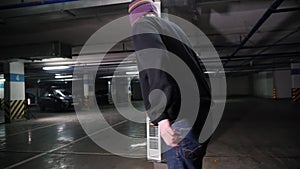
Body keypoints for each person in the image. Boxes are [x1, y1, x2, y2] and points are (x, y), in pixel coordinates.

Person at [129, 0, 212, 168]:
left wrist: (160, 116)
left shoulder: (142, 25)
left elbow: (155, 62)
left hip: (180, 118)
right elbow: (199, 67)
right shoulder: (175, 30)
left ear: (134, 16)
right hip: (201, 113)